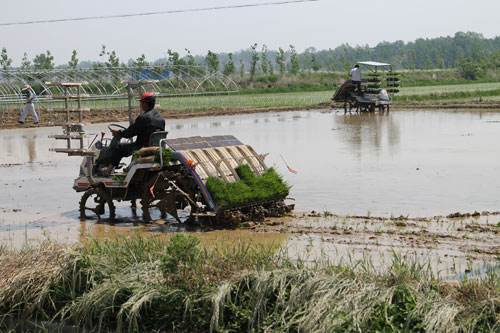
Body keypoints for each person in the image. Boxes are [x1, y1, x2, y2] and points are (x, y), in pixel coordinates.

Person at [94, 92, 165, 173]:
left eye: (141, 102)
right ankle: (126, 168)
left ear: (145, 103)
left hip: (141, 146)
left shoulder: (144, 117)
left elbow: (130, 133)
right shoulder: (160, 118)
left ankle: (108, 169)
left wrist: (119, 133)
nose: (140, 104)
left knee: (119, 148)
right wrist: (122, 132)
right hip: (156, 146)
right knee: (127, 146)